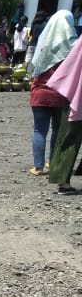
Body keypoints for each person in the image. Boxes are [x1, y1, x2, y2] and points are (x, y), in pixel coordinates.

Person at [26, 11, 75, 178]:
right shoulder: (72, 45)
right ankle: (53, 162)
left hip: (40, 92)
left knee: (39, 130)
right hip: (60, 95)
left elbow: (32, 67)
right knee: (57, 129)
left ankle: (38, 167)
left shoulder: (43, 42)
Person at [46, 30, 82, 194]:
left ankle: (62, 180)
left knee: (68, 137)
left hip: (72, 93)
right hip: (76, 96)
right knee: (70, 139)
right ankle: (63, 181)